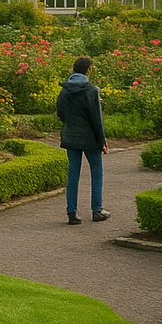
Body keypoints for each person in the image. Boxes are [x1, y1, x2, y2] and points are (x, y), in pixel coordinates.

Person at [55, 55, 110, 226]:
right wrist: (103, 141)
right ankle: (97, 210)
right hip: (90, 139)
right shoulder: (91, 90)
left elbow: (60, 112)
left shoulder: (65, 90)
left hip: (71, 137)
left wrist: (71, 124)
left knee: (73, 175)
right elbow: (96, 119)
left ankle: (72, 214)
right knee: (96, 173)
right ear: (88, 70)